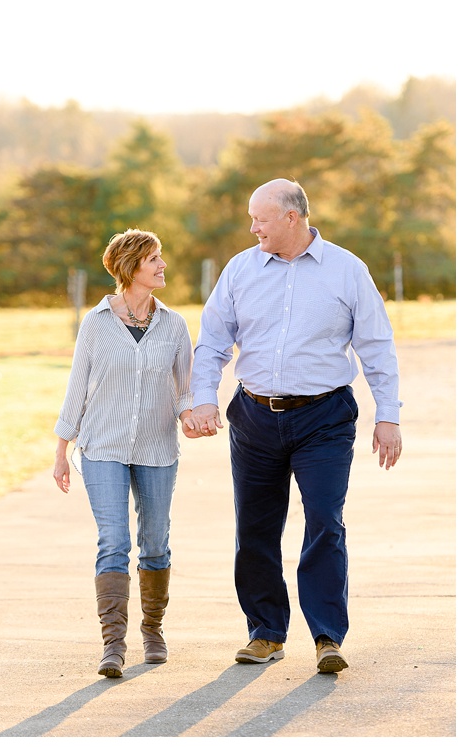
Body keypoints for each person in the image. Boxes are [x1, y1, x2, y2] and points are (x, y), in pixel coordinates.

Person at [188, 178, 402, 674]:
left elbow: (376, 345)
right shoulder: (240, 270)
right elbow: (213, 342)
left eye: (260, 217)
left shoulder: (347, 270)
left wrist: (387, 415)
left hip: (324, 417)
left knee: (325, 520)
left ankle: (328, 636)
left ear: (292, 217)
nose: (252, 226)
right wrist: (203, 400)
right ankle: (265, 633)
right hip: (255, 416)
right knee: (256, 526)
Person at [53, 228, 199, 678]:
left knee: (155, 543)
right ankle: (113, 646)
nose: (162, 266)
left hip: (157, 448)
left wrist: (191, 415)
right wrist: (62, 450)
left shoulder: (174, 325)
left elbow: (186, 389)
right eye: (154, 258)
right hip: (103, 446)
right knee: (113, 542)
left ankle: (152, 630)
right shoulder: (96, 323)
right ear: (131, 266)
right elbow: (77, 386)